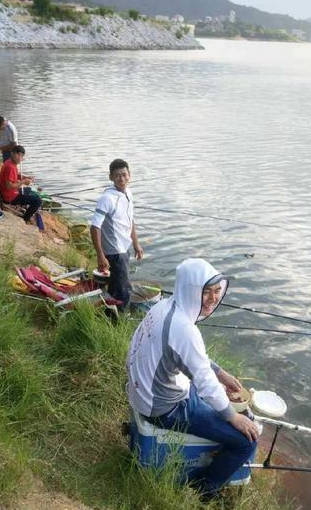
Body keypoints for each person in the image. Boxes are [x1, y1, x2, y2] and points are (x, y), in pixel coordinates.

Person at [127, 258, 259, 500]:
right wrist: (232, 417)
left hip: (144, 393)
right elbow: (205, 382)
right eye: (205, 292)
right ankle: (206, 488)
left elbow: (190, 359)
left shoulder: (164, 306)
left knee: (215, 398)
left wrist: (221, 374)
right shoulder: (185, 329)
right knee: (245, 442)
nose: (213, 298)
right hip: (163, 407)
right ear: (189, 290)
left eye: (217, 291)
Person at [90, 159, 143, 309]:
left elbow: (130, 219)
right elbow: (94, 227)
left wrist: (136, 244)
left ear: (129, 175)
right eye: (117, 176)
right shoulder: (107, 198)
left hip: (124, 248)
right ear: (111, 177)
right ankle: (119, 322)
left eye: (124, 175)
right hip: (114, 252)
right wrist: (100, 254)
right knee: (124, 292)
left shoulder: (128, 193)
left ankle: (108, 314)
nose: (122, 179)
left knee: (115, 287)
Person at [0, 145, 42, 224]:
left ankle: (25, 210)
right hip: (10, 197)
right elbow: (9, 186)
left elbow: (15, 175)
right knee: (38, 201)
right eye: (18, 154)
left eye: (21, 155)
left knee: (28, 190)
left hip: (9, 193)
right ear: (12, 153)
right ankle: (25, 219)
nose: (19, 157)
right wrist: (23, 182)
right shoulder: (10, 167)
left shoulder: (9, 162)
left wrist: (25, 177)